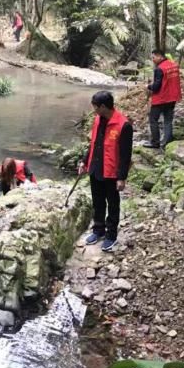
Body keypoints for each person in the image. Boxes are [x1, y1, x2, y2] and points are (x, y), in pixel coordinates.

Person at [77, 91, 133, 252]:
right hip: (96, 168)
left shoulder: (123, 125)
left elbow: (125, 155)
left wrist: (121, 178)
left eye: (95, 106)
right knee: (97, 201)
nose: (93, 109)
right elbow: (93, 143)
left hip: (112, 172)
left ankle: (111, 235)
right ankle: (98, 229)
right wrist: (84, 161)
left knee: (113, 203)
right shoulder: (97, 120)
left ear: (103, 107)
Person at [143, 49, 182, 150]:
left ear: (160, 56)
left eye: (154, 57)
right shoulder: (174, 65)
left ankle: (155, 142)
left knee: (153, 119)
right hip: (172, 97)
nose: (153, 60)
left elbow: (156, 87)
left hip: (161, 98)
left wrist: (148, 86)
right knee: (168, 120)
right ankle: (168, 142)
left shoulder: (159, 69)